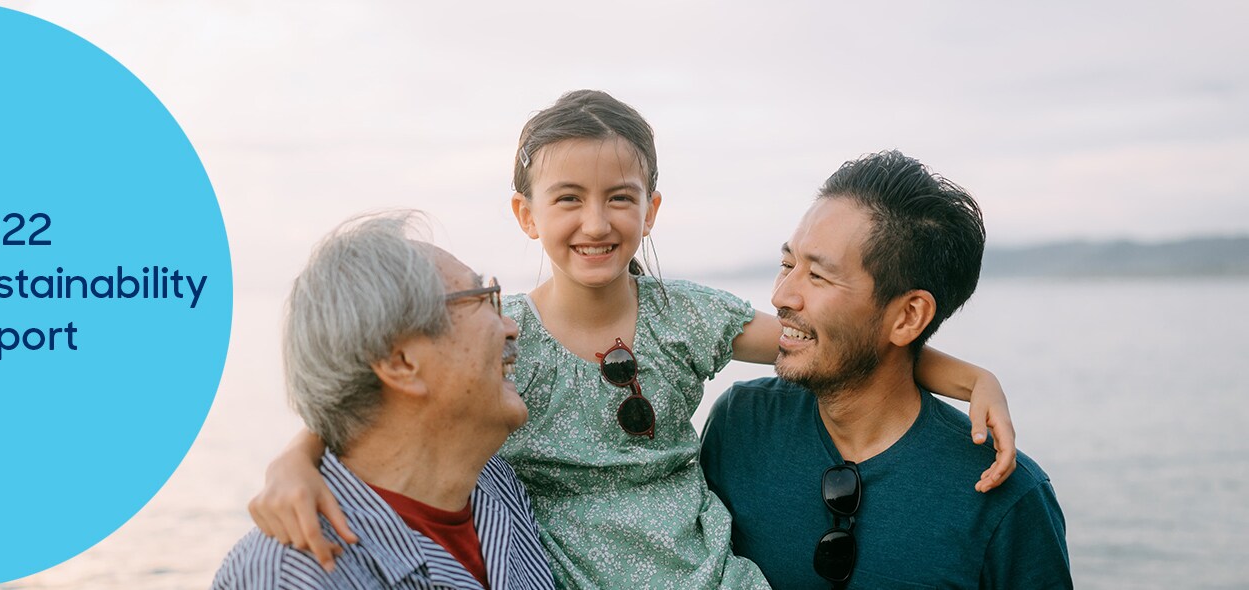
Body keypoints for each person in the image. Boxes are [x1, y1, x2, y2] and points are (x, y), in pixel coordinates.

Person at [250, 92, 1019, 588]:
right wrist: (299, 452)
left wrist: (964, 377)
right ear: (526, 215)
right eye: (568, 199)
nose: (596, 222)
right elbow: (397, 395)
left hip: (707, 575)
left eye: (620, 198)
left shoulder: (685, 319)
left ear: (651, 210)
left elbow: (819, 341)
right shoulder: (503, 334)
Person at [700, 151, 1071, 589]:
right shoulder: (743, 422)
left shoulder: (1006, 495)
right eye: (787, 264)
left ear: (908, 317)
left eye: (818, 276)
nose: (782, 295)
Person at [213, 213, 554, 589]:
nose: (512, 326)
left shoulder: (496, 487)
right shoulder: (295, 575)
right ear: (400, 361)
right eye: (483, 299)